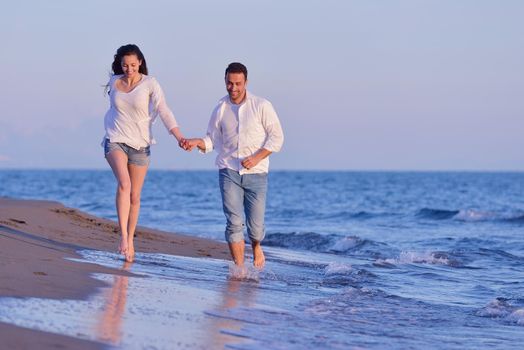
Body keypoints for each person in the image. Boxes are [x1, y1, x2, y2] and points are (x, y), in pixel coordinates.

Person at [184, 62, 284, 269]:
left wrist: (257, 157)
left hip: (256, 173)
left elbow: (277, 138)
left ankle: (256, 245)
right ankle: (239, 269)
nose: (234, 88)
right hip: (228, 170)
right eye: (230, 83)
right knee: (233, 222)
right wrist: (197, 142)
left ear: (246, 82)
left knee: (255, 228)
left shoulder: (262, 105)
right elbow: (212, 140)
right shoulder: (220, 108)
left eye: (238, 83)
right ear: (225, 81)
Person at [102, 44, 185, 262]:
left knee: (135, 196)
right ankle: (122, 237)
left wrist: (178, 136)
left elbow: (163, 110)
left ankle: (131, 238)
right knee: (124, 184)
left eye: (132, 64)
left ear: (140, 62)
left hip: (140, 145)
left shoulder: (150, 84)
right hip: (115, 140)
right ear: (120, 65)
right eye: (124, 65)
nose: (128, 69)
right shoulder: (114, 82)